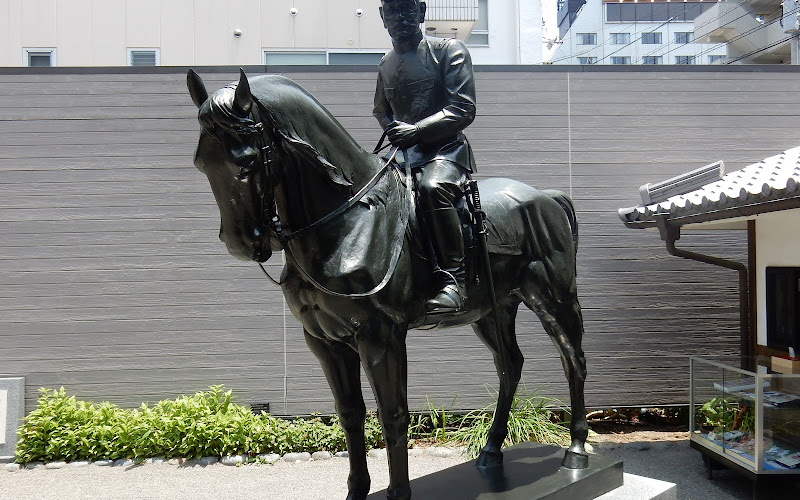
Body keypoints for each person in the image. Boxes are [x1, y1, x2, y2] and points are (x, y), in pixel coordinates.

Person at [374, 0, 477, 313]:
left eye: (406, 10)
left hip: (445, 152)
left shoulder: (449, 50)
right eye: (392, 11)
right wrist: (393, 129)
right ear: (382, 16)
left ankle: (454, 280)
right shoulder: (386, 62)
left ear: (421, 12)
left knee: (433, 190)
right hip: (402, 155)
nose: (399, 18)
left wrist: (416, 131)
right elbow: (381, 109)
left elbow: (463, 108)